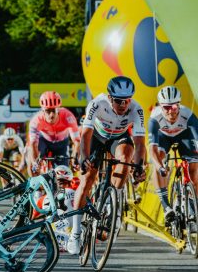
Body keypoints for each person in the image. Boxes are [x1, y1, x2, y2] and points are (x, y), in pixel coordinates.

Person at [67, 76, 147, 254]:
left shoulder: (136, 108)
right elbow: (86, 134)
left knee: (126, 158)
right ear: (110, 98)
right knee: (87, 178)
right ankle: (76, 232)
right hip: (96, 137)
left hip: (118, 138)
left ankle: (114, 202)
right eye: (119, 100)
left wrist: (139, 166)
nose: (123, 104)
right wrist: (84, 158)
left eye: (127, 100)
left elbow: (140, 143)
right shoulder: (97, 103)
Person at [148, 86, 198, 223]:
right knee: (158, 158)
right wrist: (160, 167)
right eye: (166, 107)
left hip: (183, 136)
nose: (171, 111)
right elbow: (152, 149)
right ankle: (166, 207)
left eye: (175, 107)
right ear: (160, 106)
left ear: (179, 105)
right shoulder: (154, 117)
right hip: (163, 137)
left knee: (194, 168)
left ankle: (193, 203)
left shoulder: (188, 114)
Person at [26, 91, 80, 175]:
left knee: (63, 173)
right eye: (48, 111)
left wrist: (75, 158)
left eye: (54, 110)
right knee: (32, 162)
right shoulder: (36, 120)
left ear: (58, 109)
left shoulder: (68, 116)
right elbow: (33, 144)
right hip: (44, 140)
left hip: (61, 143)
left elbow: (77, 141)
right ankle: (36, 186)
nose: (51, 115)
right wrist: (35, 163)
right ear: (43, 110)